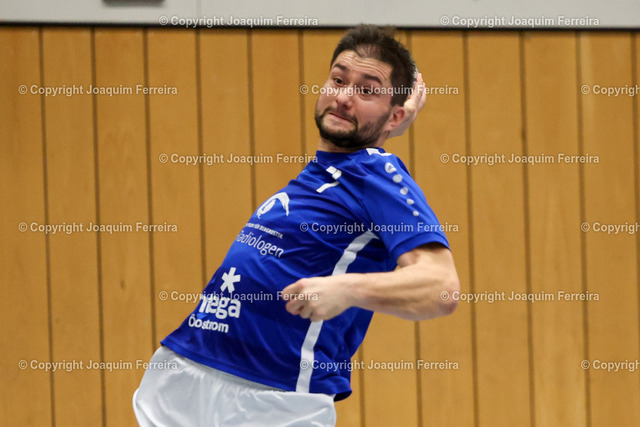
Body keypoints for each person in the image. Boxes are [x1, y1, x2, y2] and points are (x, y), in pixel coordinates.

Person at [133, 24, 460, 426]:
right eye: (338, 79)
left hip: (269, 398)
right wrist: (384, 119)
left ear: (394, 114)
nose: (343, 96)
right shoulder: (330, 171)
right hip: (187, 370)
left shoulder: (376, 172)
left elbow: (441, 286)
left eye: (366, 90)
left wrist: (348, 289)